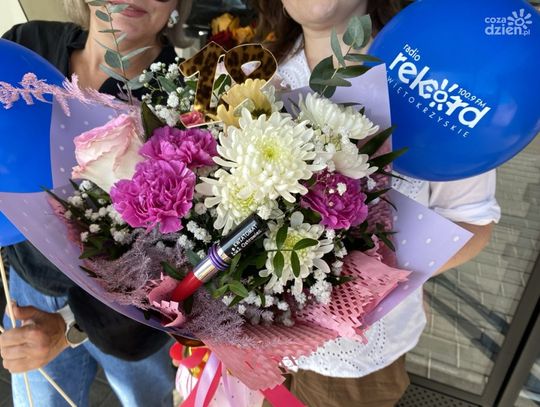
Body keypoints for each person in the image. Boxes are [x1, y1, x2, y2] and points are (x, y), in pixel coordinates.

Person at [253, 1, 501, 406]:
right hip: (262, 349)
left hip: (351, 367)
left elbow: (473, 223)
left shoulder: (431, 83)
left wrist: (367, 278)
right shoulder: (256, 72)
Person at [0, 1, 192, 405]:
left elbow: (177, 262)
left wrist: (69, 326)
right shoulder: (27, 44)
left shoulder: (186, 103)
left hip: (125, 319)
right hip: (28, 293)